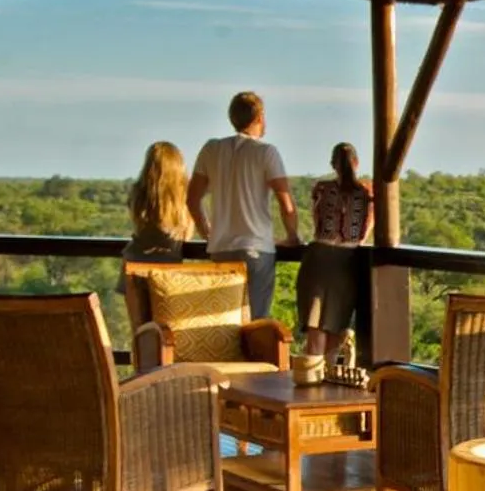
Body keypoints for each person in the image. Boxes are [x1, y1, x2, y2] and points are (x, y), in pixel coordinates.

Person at [188, 91, 298, 320]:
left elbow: (192, 199)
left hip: (220, 250)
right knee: (255, 321)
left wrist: (208, 233)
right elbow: (285, 202)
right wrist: (292, 236)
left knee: (223, 321)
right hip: (255, 249)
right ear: (259, 117)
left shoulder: (211, 149)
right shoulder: (266, 152)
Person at [294, 143, 374, 357]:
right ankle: (327, 381)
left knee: (315, 327)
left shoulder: (321, 188)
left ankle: (311, 380)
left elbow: (317, 221)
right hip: (347, 262)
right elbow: (366, 231)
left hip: (318, 259)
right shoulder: (367, 192)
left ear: (332, 164)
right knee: (337, 326)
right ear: (356, 163)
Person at [124, 142, 192, 262]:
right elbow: (186, 236)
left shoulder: (138, 193)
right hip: (168, 262)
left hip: (135, 258)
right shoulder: (184, 197)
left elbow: (137, 223)